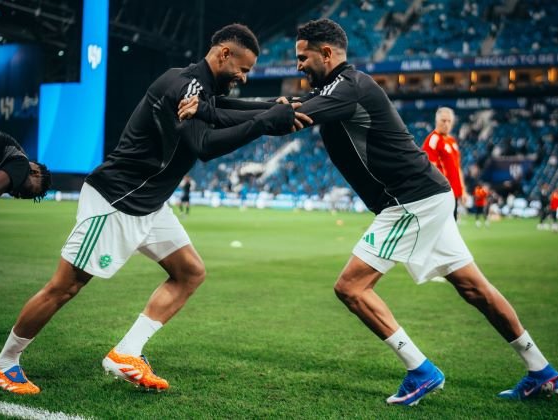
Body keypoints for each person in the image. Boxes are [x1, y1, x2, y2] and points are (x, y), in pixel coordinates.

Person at [179, 18, 558, 406]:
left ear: (327, 53)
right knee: (475, 287)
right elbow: (277, 108)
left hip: (410, 200)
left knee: (351, 287)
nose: (298, 65)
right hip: (429, 196)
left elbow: (280, 118)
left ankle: (420, 369)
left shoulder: (349, 88)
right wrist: (213, 108)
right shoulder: (337, 89)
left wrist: (208, 112)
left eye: (303, 57)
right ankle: (541, 370)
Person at [0, 23, 311, 395]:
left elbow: (222, 109)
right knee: (65, 287)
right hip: (117, 199)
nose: (243, 77)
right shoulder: (183, 86)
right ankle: (5, 363)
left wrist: (271, 107)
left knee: (189, 272)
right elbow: (204, 145)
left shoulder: (202, 90)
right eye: (242, 69)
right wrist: (263, 122)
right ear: (224, 53)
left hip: (149, 203)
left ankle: (126, 352)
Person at [422, 107, 467, 220]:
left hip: (453, 193)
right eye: (443, 120)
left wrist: (463, 190)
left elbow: (458, 167)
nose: (446, 124)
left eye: (449, 121)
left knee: (452, 223)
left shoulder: (452, 141)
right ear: (436, 121)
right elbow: (429, 169)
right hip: (442, 193)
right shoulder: (433, 139)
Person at [0, 129, 51, 201]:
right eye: (28, 191)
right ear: (35, 173)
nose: (22, 196)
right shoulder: (22, 165)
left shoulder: (14, 160)